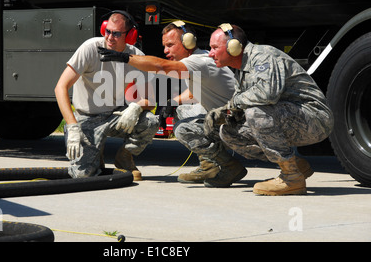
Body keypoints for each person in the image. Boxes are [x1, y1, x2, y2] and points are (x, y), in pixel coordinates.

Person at [99, 21, 245, 187]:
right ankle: (209, 166)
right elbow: (197, 91)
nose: (165, 50)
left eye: (170, 45)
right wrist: (171, 102)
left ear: (187, 42)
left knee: (182, 128)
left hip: (237, 124)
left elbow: (162, 66)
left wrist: (126, 58)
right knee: (183, 110)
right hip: (229, 115)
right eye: (164, 46)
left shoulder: (200, 61)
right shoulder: (202, 58)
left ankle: (228, 166)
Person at [205, 23, 334, 195]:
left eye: (214, 47)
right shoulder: (241, 70)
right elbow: (241, 101)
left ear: (234, 47)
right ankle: (295, 164)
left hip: (315, 118)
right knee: (228, 132)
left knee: (256, 113)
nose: (211, 53)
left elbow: (267, 94)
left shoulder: (263, 56)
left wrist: (232, 105)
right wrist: (225, 113)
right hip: (290, 116)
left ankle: (291, 178)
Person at [54, 11, 158, 181]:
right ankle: (96, 154)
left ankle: (124, 157)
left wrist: (136, 107)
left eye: (116, 33)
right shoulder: (90, 48)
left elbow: (151, 99)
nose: (110, 37)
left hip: (115, 115)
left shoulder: (136, 57)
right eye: (107, 31)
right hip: (87, 119)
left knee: (150, 122)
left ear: (130, 35)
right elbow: (60, 87)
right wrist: (72, 126)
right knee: (83, 176)